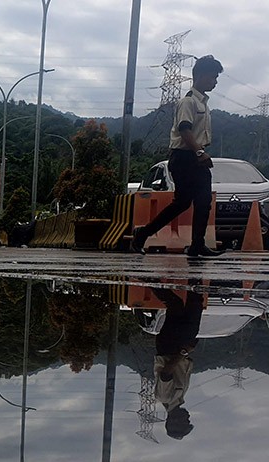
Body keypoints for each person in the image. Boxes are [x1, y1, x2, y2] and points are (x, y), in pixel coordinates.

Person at [132, 55, 224, 257]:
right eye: (212, 77)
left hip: (195, 157)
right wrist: (199, 152)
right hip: (184, 157)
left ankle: (197, 245)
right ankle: (143, 233)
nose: (215, 81)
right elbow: (184, 129)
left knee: (203, 200)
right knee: (183, 202)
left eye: (216, 78)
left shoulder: (204, 104)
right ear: (199, 75)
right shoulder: (188, 102)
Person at [152, 284, 204, 440]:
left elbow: (166, 373)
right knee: (185, 306)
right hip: (178, 347)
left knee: (180, 306)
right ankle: (195, 272)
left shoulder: (165, 398)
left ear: (173, 421)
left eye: (185, 421)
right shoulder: (178, 399)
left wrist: (184, 352)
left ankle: (149, 280)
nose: (188, 417)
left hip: (170, 347)